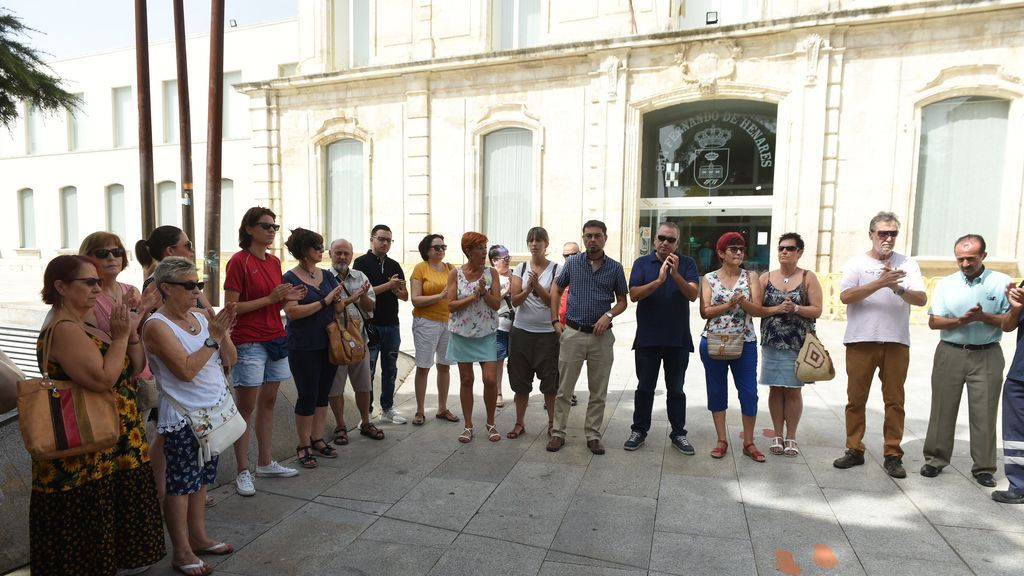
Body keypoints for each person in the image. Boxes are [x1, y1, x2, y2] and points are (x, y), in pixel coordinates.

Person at [32, 255, 164, 575]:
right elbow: (104, 378)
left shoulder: (82, 321)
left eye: (97, 281)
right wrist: (120, 336)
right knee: (82, 523)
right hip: (81, 443)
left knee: (104, 515)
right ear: (60, 287)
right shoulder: (63, 328)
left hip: (105, 438)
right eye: (88, 282)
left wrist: (131, 332)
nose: (96, 288)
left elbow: (131, 366)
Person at [144, 257, 238, 576]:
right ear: (166, 289)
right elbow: (185, 371)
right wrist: (213, 338)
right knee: (180, 485)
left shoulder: (200, 315)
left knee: (200, 482)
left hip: (213, 412)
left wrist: (222, 333)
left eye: (198, 284)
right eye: (189, 286)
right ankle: (181, 552)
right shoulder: (156, 325)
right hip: (184, 417)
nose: (197, 291)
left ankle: (198, 537)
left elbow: (231, 358)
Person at [833, 212, 927, 478]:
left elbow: (920, 299)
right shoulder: (856, 263)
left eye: (893, 233)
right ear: (871, 234)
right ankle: (854, 449)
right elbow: (846, 296)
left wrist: (897, 288)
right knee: (856, 399)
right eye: (883, 233)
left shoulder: (908, 263)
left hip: (896, 341)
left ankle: (893, 453)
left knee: (895, 400)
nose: (887, 238)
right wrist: (879, 283)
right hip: (861, 340)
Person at [224, 207, 305, 496]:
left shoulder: (273, 261)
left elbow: (274, 303)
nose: (271, 230)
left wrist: (286, 298)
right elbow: (231, 308)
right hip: (249, 341)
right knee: (245, 406)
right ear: (249, 229)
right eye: (265, 225)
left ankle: (265, 462)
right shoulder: (238, 261)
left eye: (274, 226)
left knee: (269, 402)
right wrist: (271, 297)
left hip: (275, 337)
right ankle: (242, 470)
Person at [922, 234, 1009, 487]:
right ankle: (935, 460)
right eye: (960, 258)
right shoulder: (946, 284)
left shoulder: (1001, 283)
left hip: (987, 353)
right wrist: (961, 321)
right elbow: (934, 321)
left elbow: (1009, 323)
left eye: (971, 258)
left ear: (983, 256)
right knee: (942, 408)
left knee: (985, 411)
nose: (965, 263)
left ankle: (983, 467)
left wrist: (984, 317)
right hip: (950, 351)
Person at [134, 224, 211, 504]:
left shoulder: (176, 279)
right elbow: (170, 322)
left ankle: (175, 488)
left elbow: (202, 314)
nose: (192, 250)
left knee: (165, 436)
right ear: (170, 250)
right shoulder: (157, 284)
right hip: (176, 381)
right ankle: (160, 489)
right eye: (187, 244)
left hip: (197, 376)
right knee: (164, 433)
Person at [547, 220, 628, 455]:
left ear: (605, 238)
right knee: (564, 388)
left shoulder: (614, 268)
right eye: (588, 236)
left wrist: (609, 314)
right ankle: (558, 433)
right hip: (572, 333)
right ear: (583, 238)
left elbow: (623, 301)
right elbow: (556, 289)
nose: (592, 240)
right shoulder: (572, 263)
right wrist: (554, 320)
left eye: (597, 236)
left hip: (601, 337)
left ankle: (593, 434)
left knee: (598, 390)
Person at [624, 222, 699, 454]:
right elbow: (634, 295)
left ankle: (678, 433)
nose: (665, 243)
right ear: (655, 239)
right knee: (645, 388)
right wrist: (658, 280)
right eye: (662, 238)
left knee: (676, 390)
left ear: (678, 243)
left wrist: (675, 274)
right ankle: (639, 430)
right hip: (648, 339)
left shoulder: (686, 264)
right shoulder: (642, 263)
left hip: (677, 339)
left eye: (671, 240)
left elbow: (693, 294)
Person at [281, 228, 347, 468]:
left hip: (329, 342)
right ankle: (303, 445)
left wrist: (338, 300)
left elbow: (337, 309)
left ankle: (317, 439)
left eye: (321, 246)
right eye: (316, 247)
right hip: (303, 345)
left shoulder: (326, 275)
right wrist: (325, 301)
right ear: (304, 251)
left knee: (322, 393)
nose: (321, 251)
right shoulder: (290, 278)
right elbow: (293, 312)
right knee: (307, 395)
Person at [699, 232, 766, 462]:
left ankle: (749, 442)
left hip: (745, 341)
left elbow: (758, 310)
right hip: (714, 340)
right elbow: (704, 312)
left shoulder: (751, 277)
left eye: (741, 249)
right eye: (733, 249)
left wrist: (743, 302)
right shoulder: (709, 278)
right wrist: (729, 304)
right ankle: (721, 439)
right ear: (721, 253)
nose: (739, 253)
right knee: (717, 391)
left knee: (749, 394)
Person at [758, 233, 823, 457]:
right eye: (781, 248)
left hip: (797, 344)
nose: (784, 252)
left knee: (793, 390)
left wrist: (796, 309)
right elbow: (757, 308)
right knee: (775, 389)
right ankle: (777, 433)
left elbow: (817, 310)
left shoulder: (808, 277)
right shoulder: (766, 277)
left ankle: (791, 435)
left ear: (799, 252)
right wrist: (776, 309)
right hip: (772, 342)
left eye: (789, 248)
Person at [447, 232, 502, 443]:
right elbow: (450, 304)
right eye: (480, 248)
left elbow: (497, 304)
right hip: (462, 333)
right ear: (468, 251)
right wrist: (473, 296)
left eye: (485, 247)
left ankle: (490, 422)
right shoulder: (455, 273)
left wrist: (484, 292)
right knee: (466, 379)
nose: (484, 252)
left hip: (486, 332)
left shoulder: (491, 274)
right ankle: (468, 425)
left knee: (489, 379)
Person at [507, 227, 560, 438]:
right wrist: (528, 289)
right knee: (520, 381)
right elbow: (514, 300)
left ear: (546, 244)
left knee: (550, 382)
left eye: (539, 240)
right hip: (521, 332)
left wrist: (537, 286)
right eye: (531, 240)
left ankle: (552, 423)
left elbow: (552, 302)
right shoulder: (520, 268)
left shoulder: (557, 269)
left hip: (547, 333)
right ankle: (519, 423)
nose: (534, 244)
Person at [353, 224, 409, 424]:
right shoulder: (361, 263)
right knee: (367, 370)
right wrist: (389, 286)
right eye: (381, 239)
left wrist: (397, 290)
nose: (385, 243)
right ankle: (366, 412)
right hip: (370, 325)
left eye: (388, 240)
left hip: (392, 324)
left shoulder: (394, 265)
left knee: (390, 368)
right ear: (372, 239)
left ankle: (387, 407)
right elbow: (361, 294)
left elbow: (405, 295)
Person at [327, 238, 378, 446]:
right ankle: (340, 426)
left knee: (364, 385)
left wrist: (363, 297)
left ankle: (366, 422)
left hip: (358, 339)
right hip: (334, 342)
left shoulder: (360, 276)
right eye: (338, 253)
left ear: (351, 256)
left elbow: (370, 308)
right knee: (335, 387)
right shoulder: (324, 278)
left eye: (346, 254)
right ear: (330, 253)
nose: (342, 257)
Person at [410, 233, 459, 425]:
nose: (441, 250)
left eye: (443, 247)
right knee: (423, 366)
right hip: (425, 322)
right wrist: (440, 296)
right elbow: (415, 299)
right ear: (427, 250)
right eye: (437, 247)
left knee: (444, 366)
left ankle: (442, 408)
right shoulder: (420, 268)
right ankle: (420, 410)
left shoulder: (451, 268)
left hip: (447, 322)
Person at [995, 279, 1024, 504]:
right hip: (1019, 375)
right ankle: (1018, 486)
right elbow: (1007, 326)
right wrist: (1015, 307)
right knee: (1015, 435)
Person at [490, 244, 513, 408]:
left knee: (518, 361)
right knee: (498, 360)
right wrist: (506, 291)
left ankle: (520, 392)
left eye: (508, 258)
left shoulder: (516, 274)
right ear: (494, 261)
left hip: (518, 326)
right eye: (504, 259)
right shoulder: (490, 277)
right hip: (499, 326)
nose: (507, 261)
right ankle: (498, 392)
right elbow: (490, 302)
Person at [560, 242, 580, 408]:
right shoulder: (559, 273)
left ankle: (570, 392)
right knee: (557, 362)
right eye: (567, 255)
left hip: (574, 326)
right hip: (557, 326)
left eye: (574, 254)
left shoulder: (583, 273)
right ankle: (556, 393)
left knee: (571, 363)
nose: (571, 258)